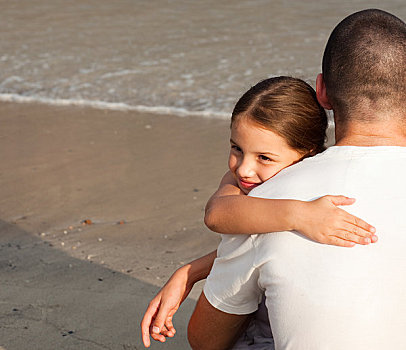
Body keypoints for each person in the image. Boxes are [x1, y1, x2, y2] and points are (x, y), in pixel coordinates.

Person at [188, 8, 406, 350]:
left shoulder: (268, 203)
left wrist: (192, 272)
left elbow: (204, 341)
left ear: (322, 91)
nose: (245, 169)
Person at [141, 77, 376, 348]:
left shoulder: (317, 195)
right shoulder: (249, 185)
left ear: (307, 155)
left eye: (263, 157)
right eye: (236, 149)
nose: (243, 169)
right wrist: (189, 272)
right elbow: (217, 213)